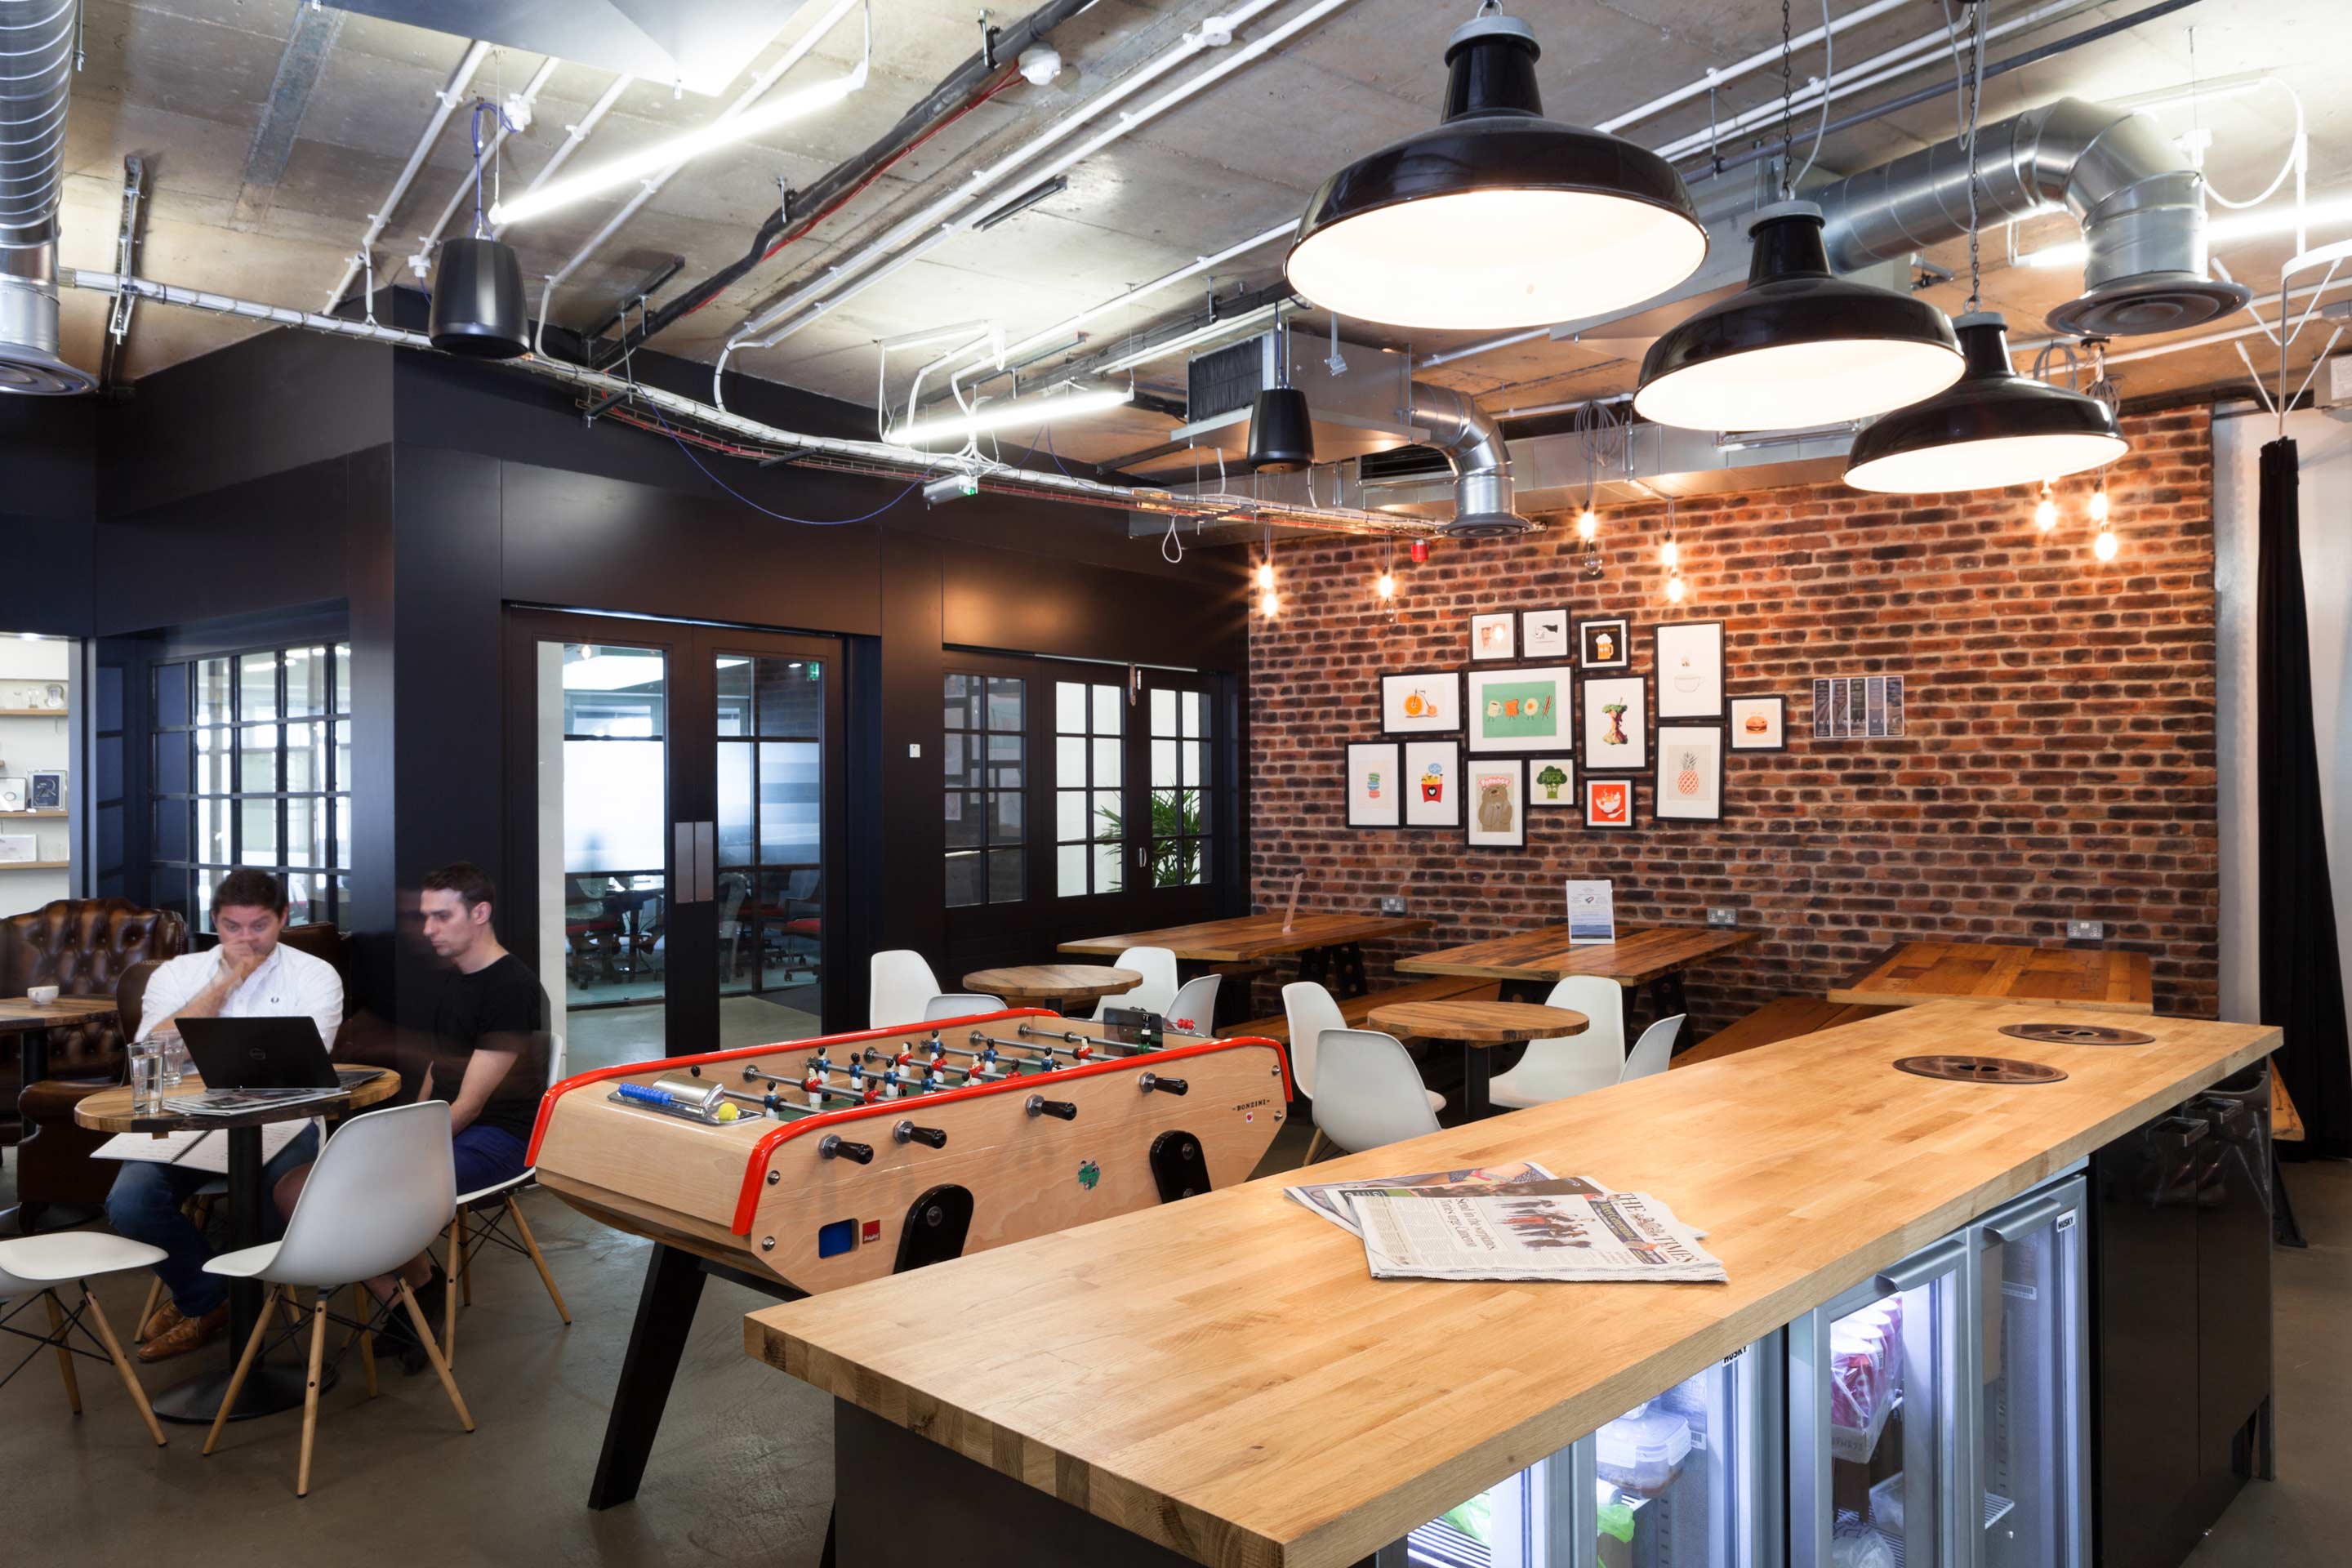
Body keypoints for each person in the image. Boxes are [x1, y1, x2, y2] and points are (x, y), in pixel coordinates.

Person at [276, 861, 546, 1370]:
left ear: (480, 913)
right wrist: (405, 1125)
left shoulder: (510, 987)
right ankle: (411, 1294)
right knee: (294, 1187)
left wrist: (395, 1147)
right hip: (449, 1132)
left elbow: (468, 1106)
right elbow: (439, 1077)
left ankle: (414, 1300)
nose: (429, 930)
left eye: (442, 917)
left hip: (501, 1140)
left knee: (347, 1187)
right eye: (426, 917)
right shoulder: (459, 979)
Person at [104, 868, 345, 1361]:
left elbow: (307, 1064)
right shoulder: (177, 974)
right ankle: (210, 1299)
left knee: (271, 1207)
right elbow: (151, 1055)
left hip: (284, 1119)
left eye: (259, 926)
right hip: (191, 1118)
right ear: (215, 922)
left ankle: (216, 1305)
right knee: (130, 1202)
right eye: (233, 927)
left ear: (283, 919)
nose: (246, 939)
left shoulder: (315, 975)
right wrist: (224, 982)